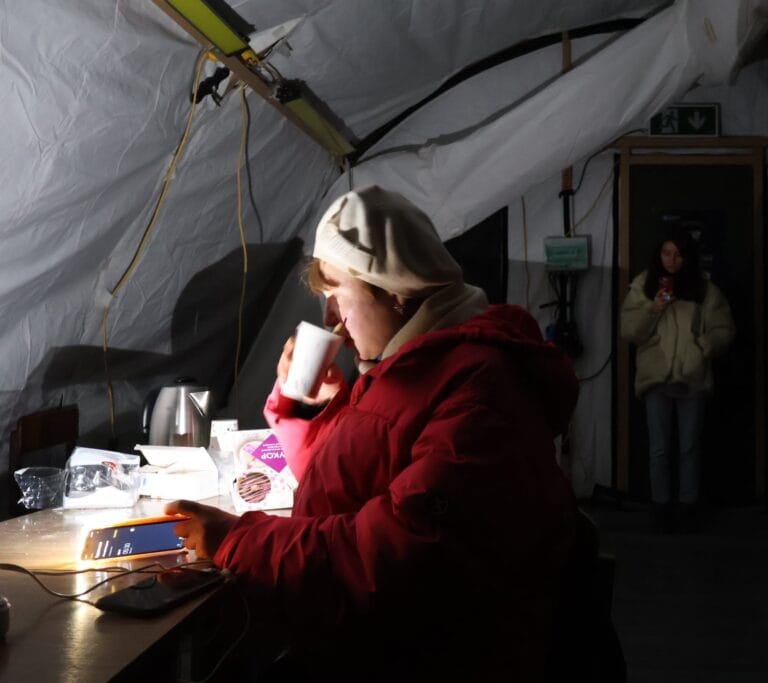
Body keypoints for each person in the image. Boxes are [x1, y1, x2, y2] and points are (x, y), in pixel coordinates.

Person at [167, 186, 580, 681]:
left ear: (395, 290)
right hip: (370, 639)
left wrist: (239, 540)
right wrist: (306, 409)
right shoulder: (409, 364)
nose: (329, 321)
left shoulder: (479, 390)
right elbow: (350, 480)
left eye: (337, 295)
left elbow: (393, 556)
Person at [619, 226, 735, 533]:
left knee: (689, 446)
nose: (672, 260)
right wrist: (654, 308)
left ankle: (688, 506)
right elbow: (629, 330)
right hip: (656, 376)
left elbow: (723, 328)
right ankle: (661, 507)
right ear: (658, 254)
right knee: (659, 447)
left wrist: (704, 346)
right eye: (666, 253)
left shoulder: (704, 289)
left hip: (691, 375)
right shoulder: (643, 285)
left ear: (688, 257)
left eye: (678, 254)